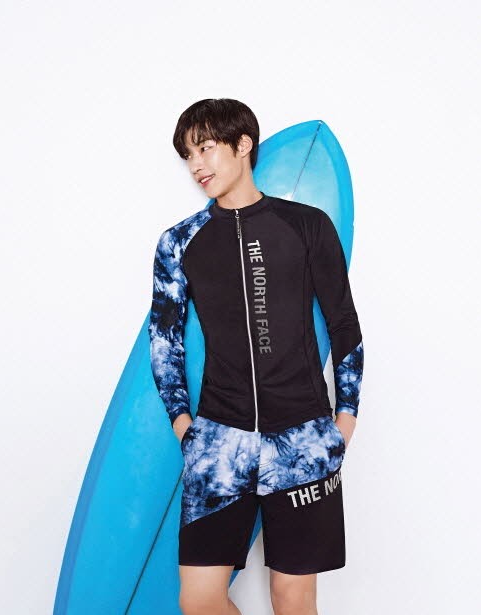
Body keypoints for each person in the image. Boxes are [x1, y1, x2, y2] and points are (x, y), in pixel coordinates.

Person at [148, 98, 364, 615]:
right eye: (188, 155)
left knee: (293, 599)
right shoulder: (179, 242)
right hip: (219, 442)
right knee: (199, 600)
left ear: (243, 145)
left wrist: (345, 419)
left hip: (303, 439)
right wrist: (184, 425)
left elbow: (343, 322)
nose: (196, 165)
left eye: (205, 148)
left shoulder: (306, 225)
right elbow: (165, 338)